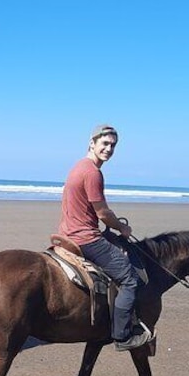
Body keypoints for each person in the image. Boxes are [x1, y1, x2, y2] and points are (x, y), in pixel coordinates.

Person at [57, 124, 152, 351]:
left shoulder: (78, 166)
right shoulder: (92, 172)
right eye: (105, 143)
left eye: (113, 145)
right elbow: (103, 213)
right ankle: (122, 336)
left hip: (66, 233)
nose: (109, 149)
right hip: (85, 238)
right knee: (130, 280)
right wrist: (122, 228)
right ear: (92, 143)